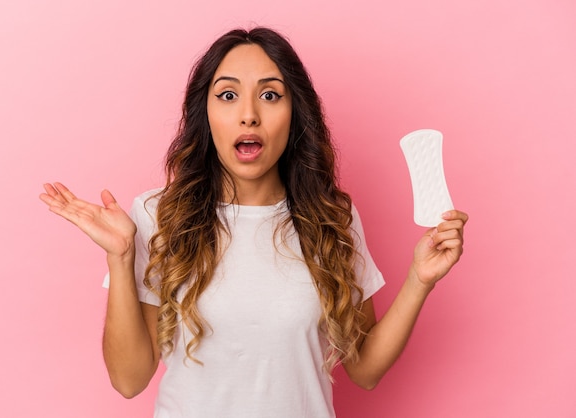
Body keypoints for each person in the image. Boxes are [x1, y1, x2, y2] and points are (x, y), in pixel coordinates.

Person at [39, 27, 468, 418]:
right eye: (227, 95)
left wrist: (419, 278)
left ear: (295, 112)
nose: (249, 115)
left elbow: (366, 370)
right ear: (204, 114)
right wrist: (121, 257)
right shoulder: (157, 216)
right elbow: (128, 381)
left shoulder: (331, 218)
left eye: (269, 95)